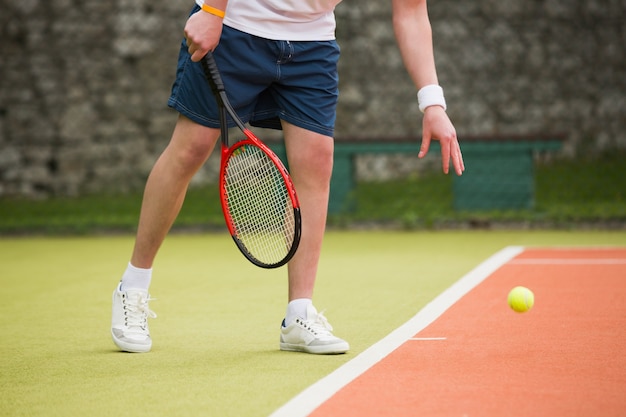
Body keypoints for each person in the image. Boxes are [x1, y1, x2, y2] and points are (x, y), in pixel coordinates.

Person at [111, 0, 465, 354]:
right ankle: (134, 287)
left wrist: (432, 102)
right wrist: (214, 12)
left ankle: (299, 315)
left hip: (312, 43)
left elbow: (412, 12)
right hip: (235, 27)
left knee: (316, 160)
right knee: (190, 149)